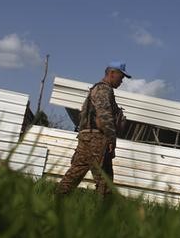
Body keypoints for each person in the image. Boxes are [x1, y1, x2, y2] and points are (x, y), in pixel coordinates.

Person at [55, 61, 130, 197]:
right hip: (97, 139)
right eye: (121, 77)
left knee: (75, 173)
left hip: (87, 137)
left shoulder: (98, 89)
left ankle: (57, 200)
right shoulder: (104, 89)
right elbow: (104, 116)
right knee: (104, 180)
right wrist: (112, 139)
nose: (122, 81)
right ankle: (104, 213)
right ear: (112, 73)